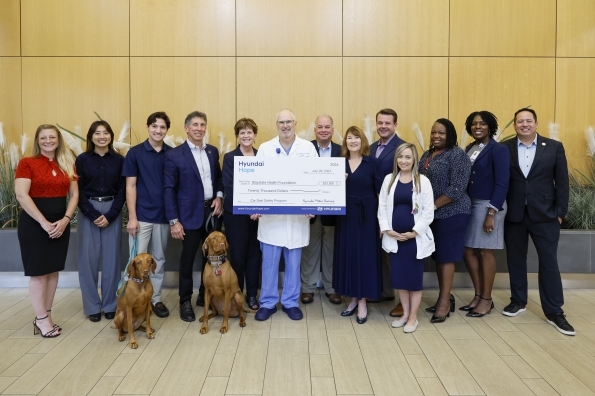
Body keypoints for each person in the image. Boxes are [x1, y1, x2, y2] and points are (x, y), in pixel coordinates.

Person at [501, 108, 574, 335]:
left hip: (546, 215)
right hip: (514, 215)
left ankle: (554, 312)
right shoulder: (505, 148)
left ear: (536, 123)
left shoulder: (553, 147)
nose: (524, 124)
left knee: (548, 262)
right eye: (520, 121)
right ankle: (518, 301)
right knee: (515, 260)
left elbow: (562, 183)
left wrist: (560, 213)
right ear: (514, 125)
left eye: (528, 121)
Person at [251, 109, 318, 321]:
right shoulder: (265, 149)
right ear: (276, 124)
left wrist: (313, 205)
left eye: (289, 122)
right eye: (281, 122)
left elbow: (316, 179)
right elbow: (256, 181)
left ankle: (290, 302)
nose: (285, 125)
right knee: (269, 264)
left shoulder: (307, 148)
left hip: (297, 220)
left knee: (293, 264)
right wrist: (255, 205)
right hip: (271, 220)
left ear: (295, 123)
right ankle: (268, 303)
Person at [15, 124, 78, 338]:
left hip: (61, 223)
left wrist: (66, 220)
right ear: (37, 140)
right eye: (43, 137)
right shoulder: (27, 163)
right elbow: (22, 195)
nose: (48, 141)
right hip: (35, 225)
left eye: (52, 137)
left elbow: (74, 195)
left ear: (58, 140)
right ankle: (41, 320)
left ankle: (46, 315)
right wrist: (43, 222)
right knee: (39, 273)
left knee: (52, 271)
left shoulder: (67, 163)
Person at [164, 111, 223, 322]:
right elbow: (169, 190)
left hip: (212, 213)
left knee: (211, 258)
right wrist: (174, 221)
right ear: (186, 128)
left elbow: (218, 178)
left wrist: (219, 197)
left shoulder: (213, 152)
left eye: (202, 125)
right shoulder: (174, 155)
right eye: (195, 125)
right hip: (187, 216)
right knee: (187, 260)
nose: (199, 128)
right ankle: (185, 301)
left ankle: (203, 294)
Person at [419, 118, 471, 323]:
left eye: (441, 133)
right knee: (439, 256)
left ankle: (443, 302)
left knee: (446, 257)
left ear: (450, 134)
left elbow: (457, 188)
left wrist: (433, 205)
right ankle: (445, 296)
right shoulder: (427, 154)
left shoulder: (458, 155)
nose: (436, 136)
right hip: (432, 214)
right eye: (433, 132)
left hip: (452, 212)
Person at [378, 143, 434, 333]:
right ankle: (404, 314)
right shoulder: (389, 179)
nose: (403, 161)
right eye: (400, 157)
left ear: (414, 159)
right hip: (395, 239)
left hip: (414, 240)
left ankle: (413, 317)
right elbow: (382, 208)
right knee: (400, 279)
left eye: (408, 157)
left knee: (414, 280)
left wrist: (415, 232)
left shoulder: (422, 181)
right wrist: (387, 229)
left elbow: (427, 212)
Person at [122, 111, 172, 318]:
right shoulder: (135, 153)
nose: (158, 130)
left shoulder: (172, 153)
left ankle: (155, 299)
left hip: (163, 217)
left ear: (166, 130)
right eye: (154, 126)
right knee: (136, 262)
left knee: (157, 261)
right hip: (141, 217)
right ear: (148, 127)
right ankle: (132, 301)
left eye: (162, 127)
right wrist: (132, 217)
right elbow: (130, 186)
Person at [76, 120, 126, 322]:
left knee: (112, 261)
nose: (102, 136)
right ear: (91, 137)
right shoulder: (82, 159)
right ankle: (92, 306)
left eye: (106, 132)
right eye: (97, 133)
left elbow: (123, 190)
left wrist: (112, 213)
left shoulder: (120, 160)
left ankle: (110, 304)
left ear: (111, 136)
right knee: (87, 261)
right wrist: (94, 214)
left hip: (112, 208)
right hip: (88, 209)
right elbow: (77, 191)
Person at [333, 126, 384, 324]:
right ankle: (353, 298)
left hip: (368, 216)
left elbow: (381, 194)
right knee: (348, 256)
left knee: (365, 258)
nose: (352, 141)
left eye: (356, 138)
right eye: (349, 138)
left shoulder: (373, 163)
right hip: (345, 216)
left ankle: (363, 301)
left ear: (363, 141)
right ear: (345, 142)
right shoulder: (339, 164)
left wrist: (382, 222)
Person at [461, 111, 509, 317]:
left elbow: (502, 183)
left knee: (486, 251)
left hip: (489, 205)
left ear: (490, 126)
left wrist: (492, 212)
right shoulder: (470, 148)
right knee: (469, 250)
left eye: (482, 123)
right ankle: (479, 294)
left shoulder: (498, 150)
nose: (477, 127)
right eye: (473, 124)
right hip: (469, 205)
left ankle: (487, 300)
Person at [300, 115, 342, 306]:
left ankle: (332, 289)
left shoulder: (342, 151)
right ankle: (307, 288)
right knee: (309, 251)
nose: (324, 130)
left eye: (327, 127)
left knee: (331, 251)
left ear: (333, 130)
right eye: (320, 127)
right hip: (310, 211)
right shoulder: (305, 150)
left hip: (333, 212)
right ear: (314, 130)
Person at [369, 108, 406, 317]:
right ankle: (384, 291)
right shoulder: (372, 147)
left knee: (396, 255)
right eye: (380, 122)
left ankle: (403, 301)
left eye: (387, 123)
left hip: (395, 208)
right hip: (374, 208)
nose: (383, 126)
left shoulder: (402, 147)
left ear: (395, 125)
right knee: (381, 252)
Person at [222, 117, 261, 311]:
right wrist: (249, 208)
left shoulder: (263, 155)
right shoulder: (230, 157)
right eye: (242, 132)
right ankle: (236, 293)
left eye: (249, 132)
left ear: (255, 135)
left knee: (255, 255)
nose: (246, 135)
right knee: (237, 256)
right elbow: (230, 185)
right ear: (237, 136)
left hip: (259, 216)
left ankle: (252, 295)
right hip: (236, 214)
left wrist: (258, 208)